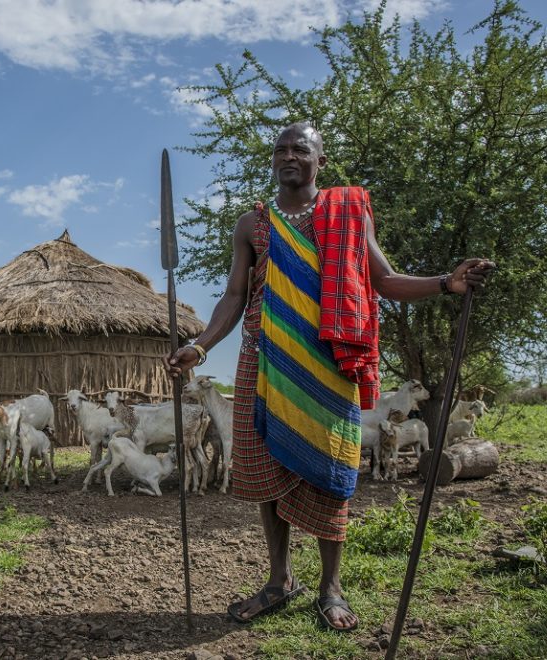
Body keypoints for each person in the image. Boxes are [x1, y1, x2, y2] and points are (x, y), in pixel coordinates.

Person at [163, 122, 494, 632]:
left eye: (300, 149)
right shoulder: (252, 225)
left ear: (321, 160)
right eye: (280, 150)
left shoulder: (347, 213)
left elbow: (384, 280)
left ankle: (331, 588)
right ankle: (279, 580)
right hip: (265, 362)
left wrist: (445, 283)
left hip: (328, 364)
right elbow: (234, 296)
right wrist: (200, 346)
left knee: (332, 472)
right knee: (268, 470)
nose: (288, 156)